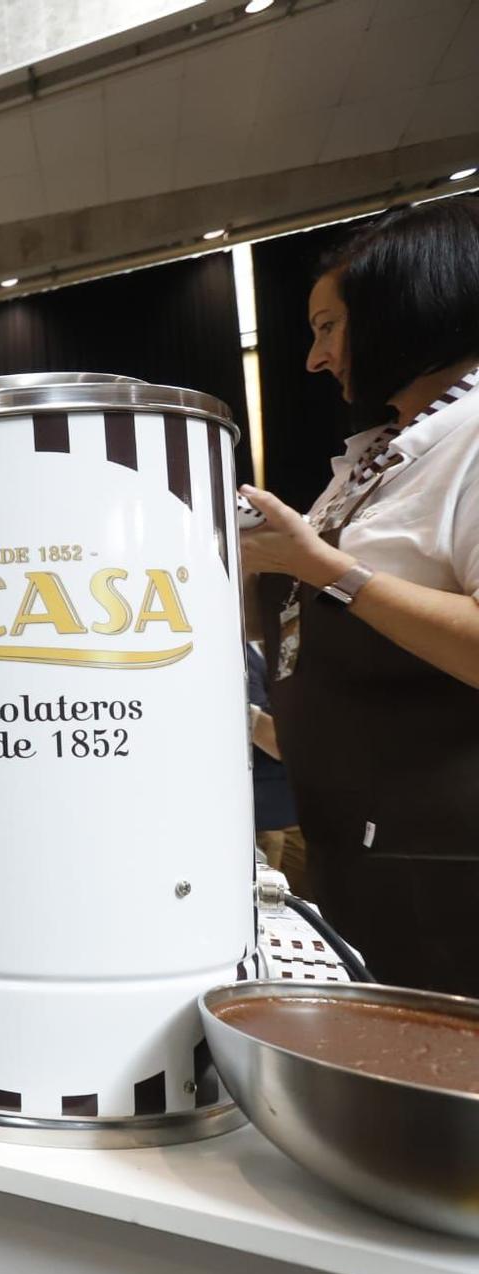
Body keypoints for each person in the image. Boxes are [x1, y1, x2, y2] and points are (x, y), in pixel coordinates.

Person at [240, 197, 479, 996]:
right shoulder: (382, 454)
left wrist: (327, 569)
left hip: (448, 873)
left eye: (328, 327)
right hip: (360, 858)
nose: (315, 357)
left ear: (404, 308)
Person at [246, 643, 305, 887]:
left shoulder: (273, 647)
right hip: (272, 821)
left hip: (293, 811)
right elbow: (275, 741)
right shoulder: (239, 655)